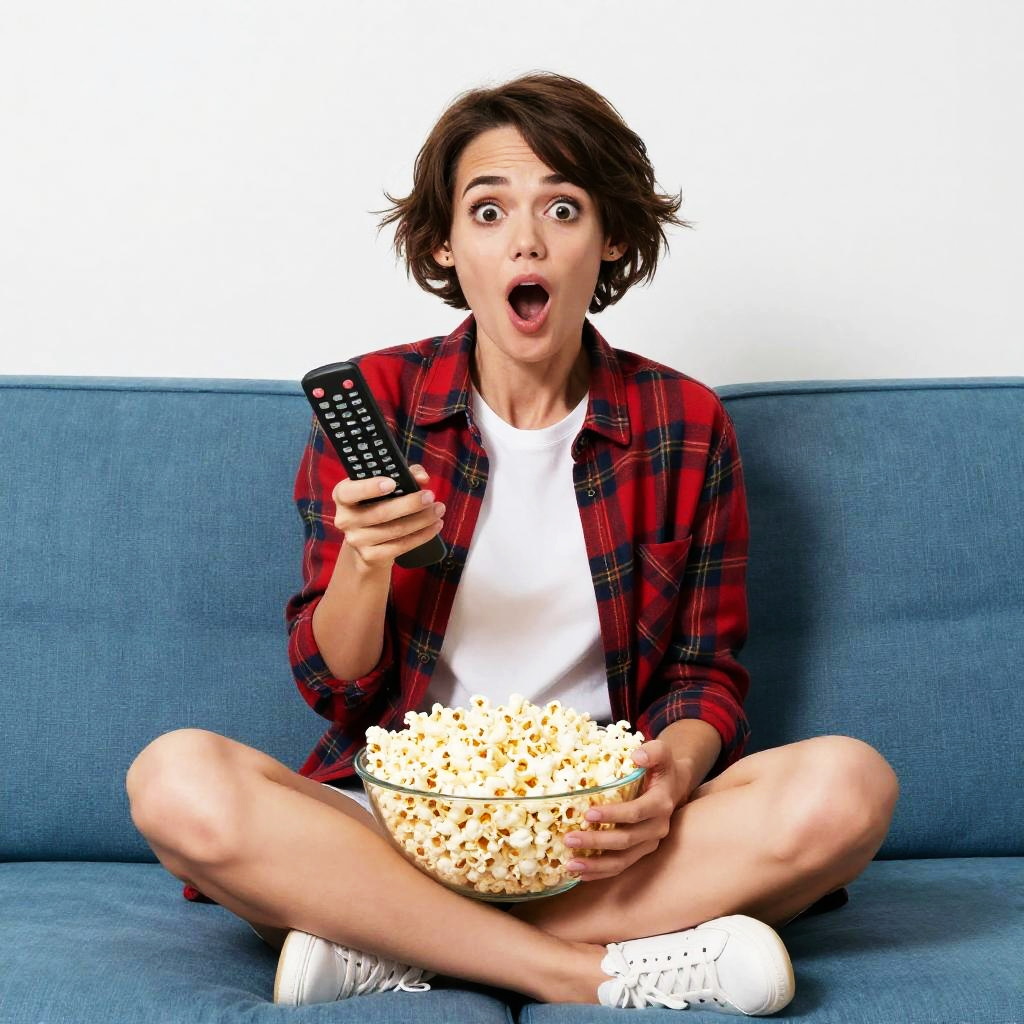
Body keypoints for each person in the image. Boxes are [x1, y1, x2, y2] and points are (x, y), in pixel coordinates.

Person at [125, 71, 899, 1013]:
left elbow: (707, 675)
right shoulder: (379, 407)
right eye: (488, 212)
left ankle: (387, 940)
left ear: (610, 236)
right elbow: (335, 687)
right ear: (447, 245)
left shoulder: (683, 423)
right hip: (398, 826)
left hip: (598, 838)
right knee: (173, 781)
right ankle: (586, 970)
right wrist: (366, 563)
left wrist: (674, 772)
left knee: (849, 788)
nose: (525, 240)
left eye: (562, 208)